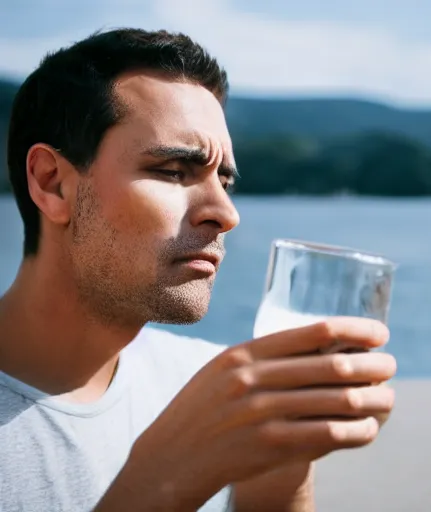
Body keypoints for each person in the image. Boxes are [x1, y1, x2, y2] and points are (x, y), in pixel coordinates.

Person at [0, 28, 397, 511]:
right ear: (52, 183)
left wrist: (282, 473)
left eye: (224, 181)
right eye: (173, 171)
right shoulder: (211, 406)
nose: (226, 213)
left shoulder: (214, 386)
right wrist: (162, 481)